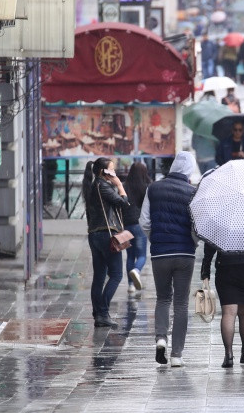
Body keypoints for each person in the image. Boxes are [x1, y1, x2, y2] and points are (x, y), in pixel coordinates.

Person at [140, 152, 198, 367]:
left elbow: (144, 221)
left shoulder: (153, 188)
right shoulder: (193, 192)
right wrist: (193, 242)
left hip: (160, 254)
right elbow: (196, 227)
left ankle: (161, 338)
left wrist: (155, 239)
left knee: (163, 298)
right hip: (185, 254)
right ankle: (176, 355)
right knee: (181, 304)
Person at [83, 157, 131, 327]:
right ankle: (102, 313)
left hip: (94, 234)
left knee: (99, 276)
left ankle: (98, 314)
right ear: (103, 172)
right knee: (116, 275)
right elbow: (123, 203)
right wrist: (120, 186)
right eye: (112, 170)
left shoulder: (93, 186)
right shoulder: (102, 185)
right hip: (106, 235)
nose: (115, 173)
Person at [201, 241, 244, 368]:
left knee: (228, 313)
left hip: (225, 266)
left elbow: (209, 244)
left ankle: (228, 355)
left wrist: (205, 271)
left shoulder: (219, 227)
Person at [123, 162, 151, 294]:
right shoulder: (146, 187)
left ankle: (130, 285)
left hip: (126, 225)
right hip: (140, 225)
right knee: (141, 255)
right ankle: (137, 270)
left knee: (130, 256)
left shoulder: (124, 187)